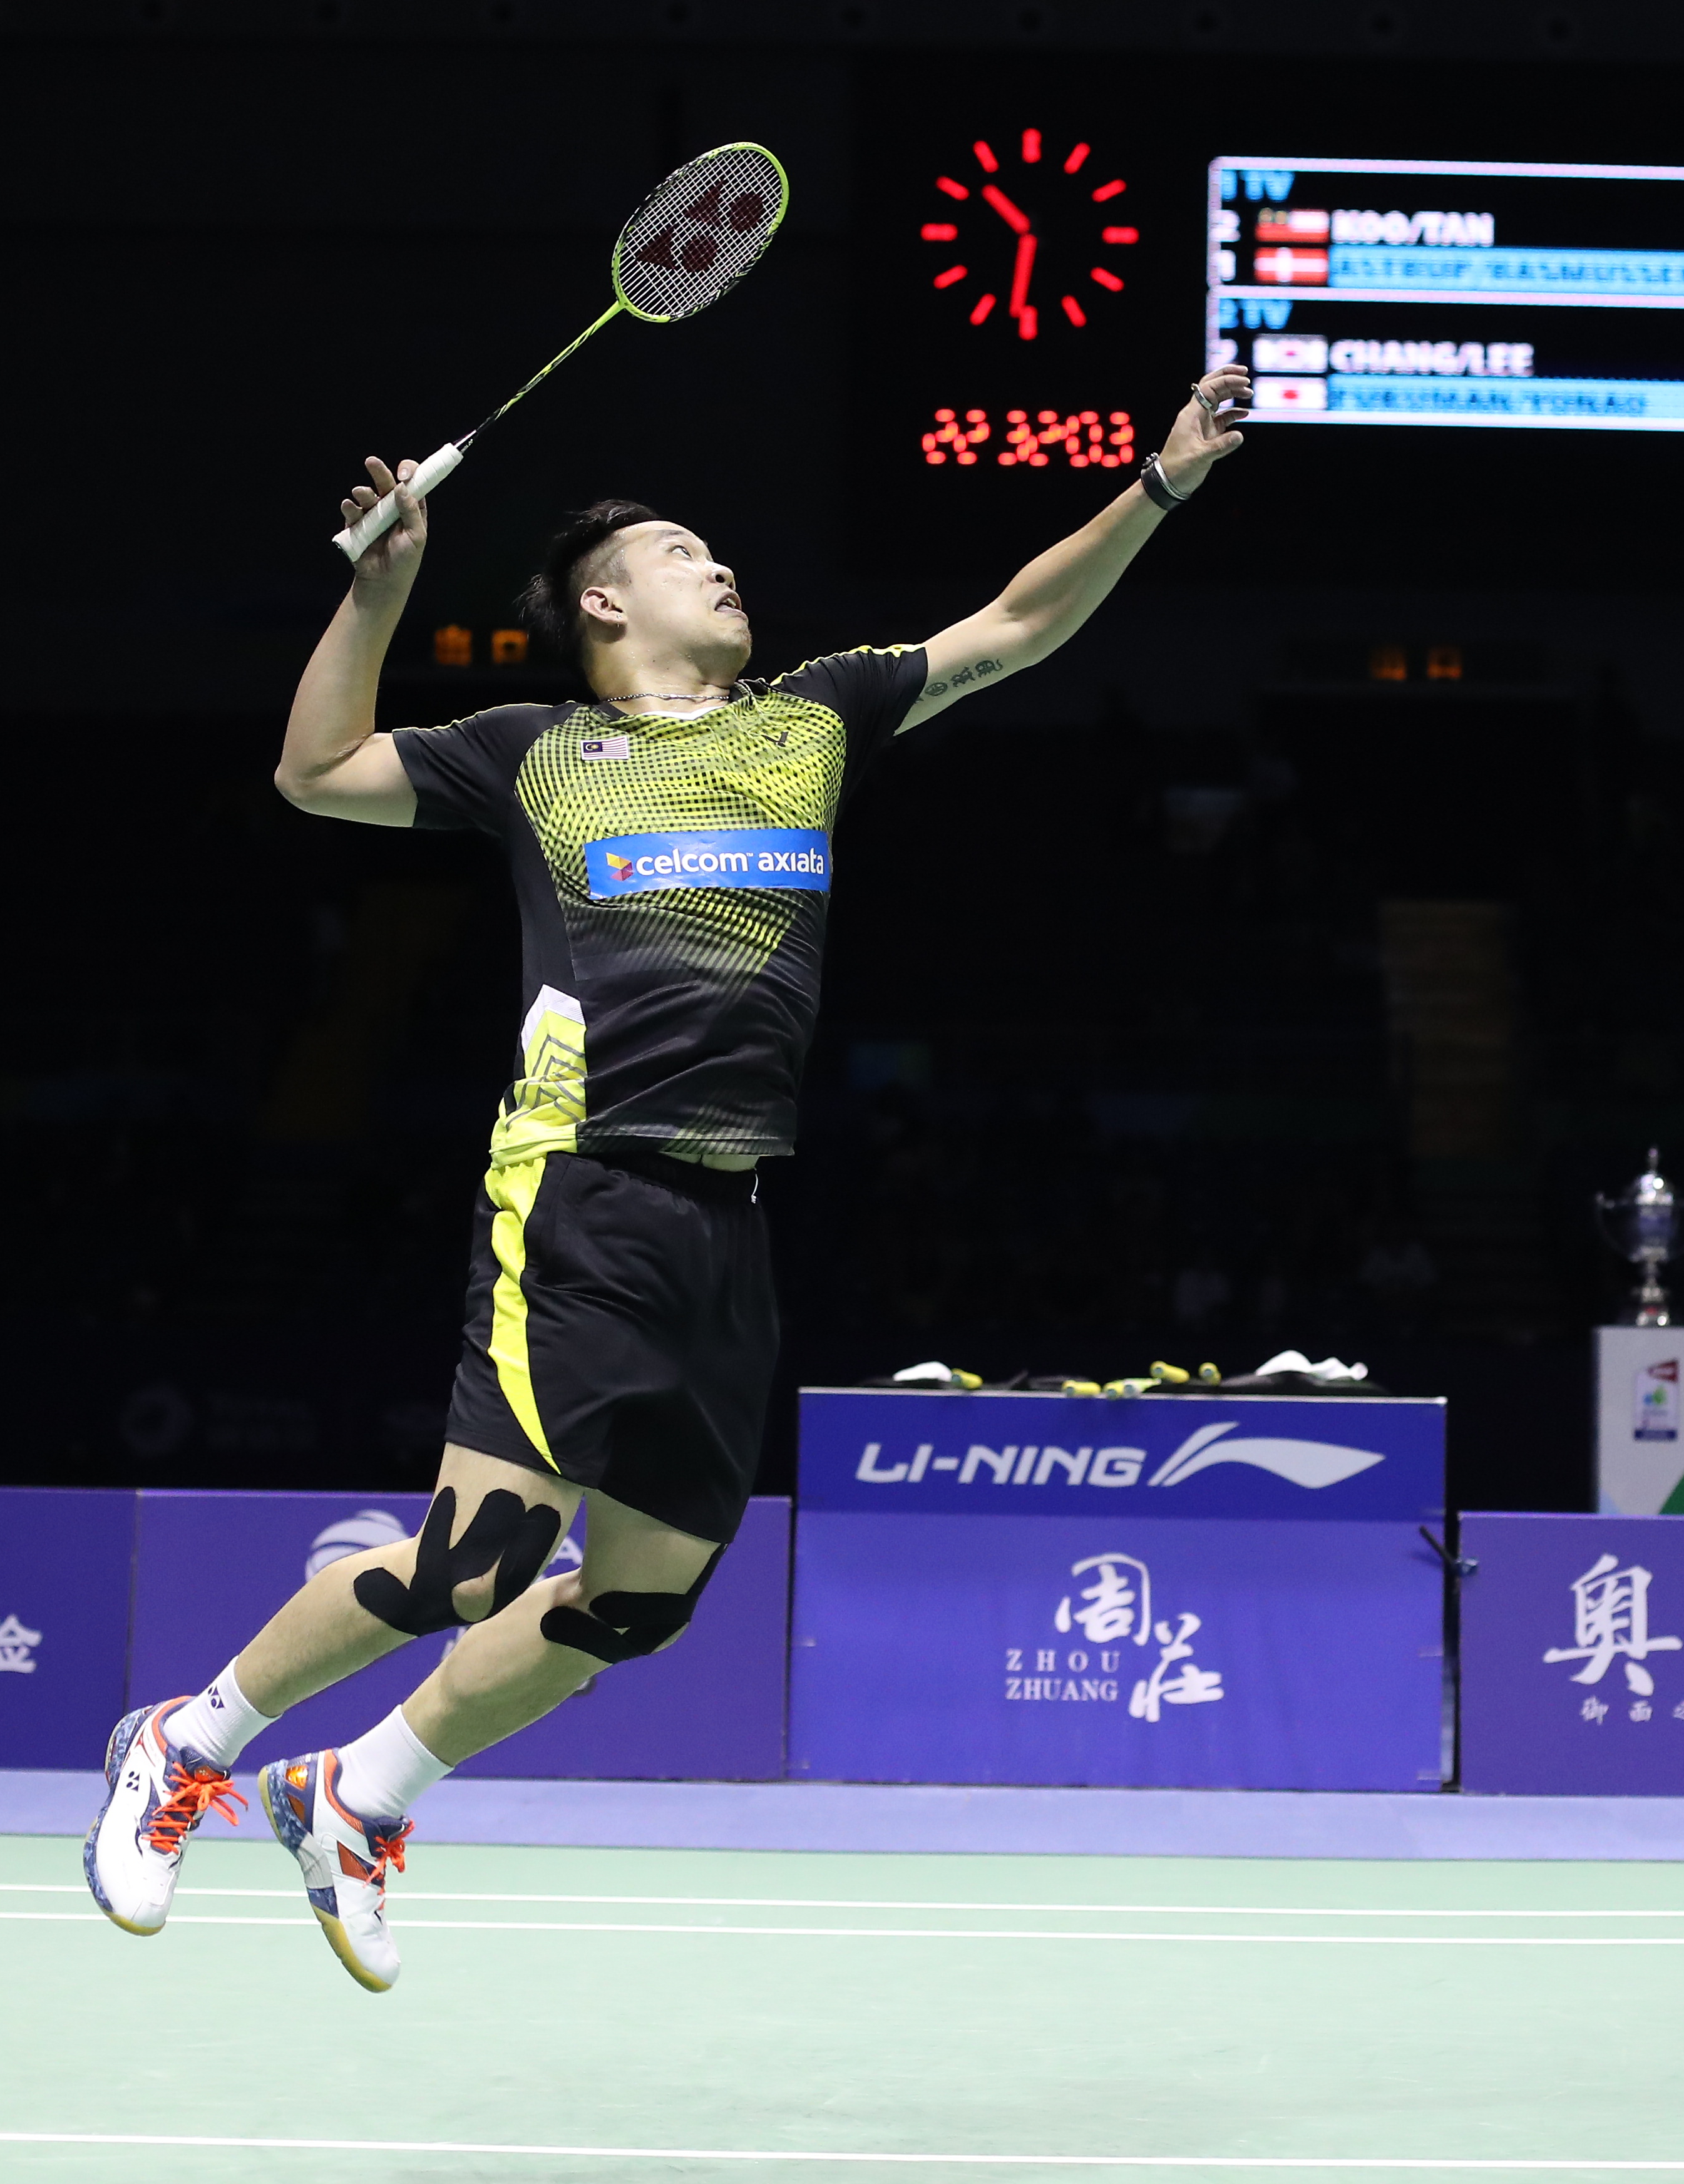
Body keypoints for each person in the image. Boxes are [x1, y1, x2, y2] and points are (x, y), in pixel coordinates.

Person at [81, 362, 1256, 1990]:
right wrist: (382, 589)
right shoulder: (536, 751)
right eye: (683, 554)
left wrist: (1162, 483)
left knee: (636, 1603)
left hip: (729, 1214)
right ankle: (189, 1739)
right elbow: (314, 770)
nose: (723, 568)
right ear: (604, 604)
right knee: (473, 1561)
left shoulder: (811, 719)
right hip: (579, 1190)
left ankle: (357, 1797)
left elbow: (1015, 626)